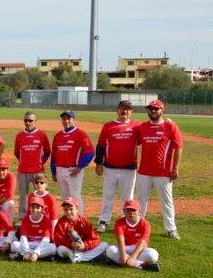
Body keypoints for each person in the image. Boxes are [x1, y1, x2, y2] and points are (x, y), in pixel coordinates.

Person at [135, 99, 183, 240]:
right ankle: (138, 227)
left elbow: (178, 148)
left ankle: (171, 229)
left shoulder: (171, 127)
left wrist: (175, 168)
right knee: (140, 201)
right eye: (151, 109)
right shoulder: (142, 126)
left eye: (156, 109)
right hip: (144, 171)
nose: (153, 111)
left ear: (162, 110)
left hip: (163, 172)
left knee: (166, 202)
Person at [94, 100, 140, 233]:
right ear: (117, 110)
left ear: (131, 112)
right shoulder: (108, 126)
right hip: (110, 168)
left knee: (127, 197)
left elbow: (149, 136)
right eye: (122, 108)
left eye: (127, 109)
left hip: (129, 168)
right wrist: (98, 163)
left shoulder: (137, 126)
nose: (124, 111)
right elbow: (101, 145)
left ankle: (125, 221)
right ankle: (104, 221)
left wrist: (166, 123)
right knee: (108, 196)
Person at [51, 110, 94, 214]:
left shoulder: (80, 134)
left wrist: (80, 166)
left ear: (73, 120)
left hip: (73, 170)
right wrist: (53, 172)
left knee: (75, 195)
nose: (66, 121)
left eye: (69, 118)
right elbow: (54, 156)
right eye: (64, 119)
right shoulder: (58, 136)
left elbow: (90, 152)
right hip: (60, 169)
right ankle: (68, 218)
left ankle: (79, 218)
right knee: (65, 197)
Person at [105, 199, 160, 271]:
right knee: (110, 250)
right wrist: (123, 254)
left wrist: (133, 258)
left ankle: (117, 261)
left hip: (139, 249)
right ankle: (141, 265)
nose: (131, 213)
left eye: (134, 210)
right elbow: (120, 241)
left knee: (153, 255)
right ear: (124, 211)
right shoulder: (119, 223)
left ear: (139, 211)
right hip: (125, 248)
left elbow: (142, 243)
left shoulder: (145, 224)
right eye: (128, 210)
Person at [13, 111, 50, 217]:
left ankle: (41, 215)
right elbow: (16, 152)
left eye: (30, 120)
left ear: (35, 121)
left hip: (37, 171)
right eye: (26, 120)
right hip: (23, 171)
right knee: (23, 195)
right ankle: (23, 216)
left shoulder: (41, 135)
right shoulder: (20, 135)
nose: (28, 123)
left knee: (39, 193)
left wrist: (40, 162)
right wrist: (24, 162)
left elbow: (47, 152)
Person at [54, 196, 108, 263]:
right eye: (66, 209)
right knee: (60, 249)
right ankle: (84, 257)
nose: (68, 212)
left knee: (105, 245)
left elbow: (96, 239)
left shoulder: (83, 221)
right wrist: (71, 244)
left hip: (84, 248)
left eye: (71, 209)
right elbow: (57, 240)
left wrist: (85, 245)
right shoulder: (61, 222)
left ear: (76, 208)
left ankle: (76, 258)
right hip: (70, 249)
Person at [9, 196, 56, 262]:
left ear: (42, 209)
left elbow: (46, 239)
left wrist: (36, 252)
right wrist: (27, 251)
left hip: (40, 244)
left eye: (37, 208)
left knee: (53, 248)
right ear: (29, 208)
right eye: (32, 207)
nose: (34, 210)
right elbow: (23, 237)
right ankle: (42, 257)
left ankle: (22, 256)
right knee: (14, 245)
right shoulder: (26, 219)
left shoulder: (46, 220)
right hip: (29, 244)